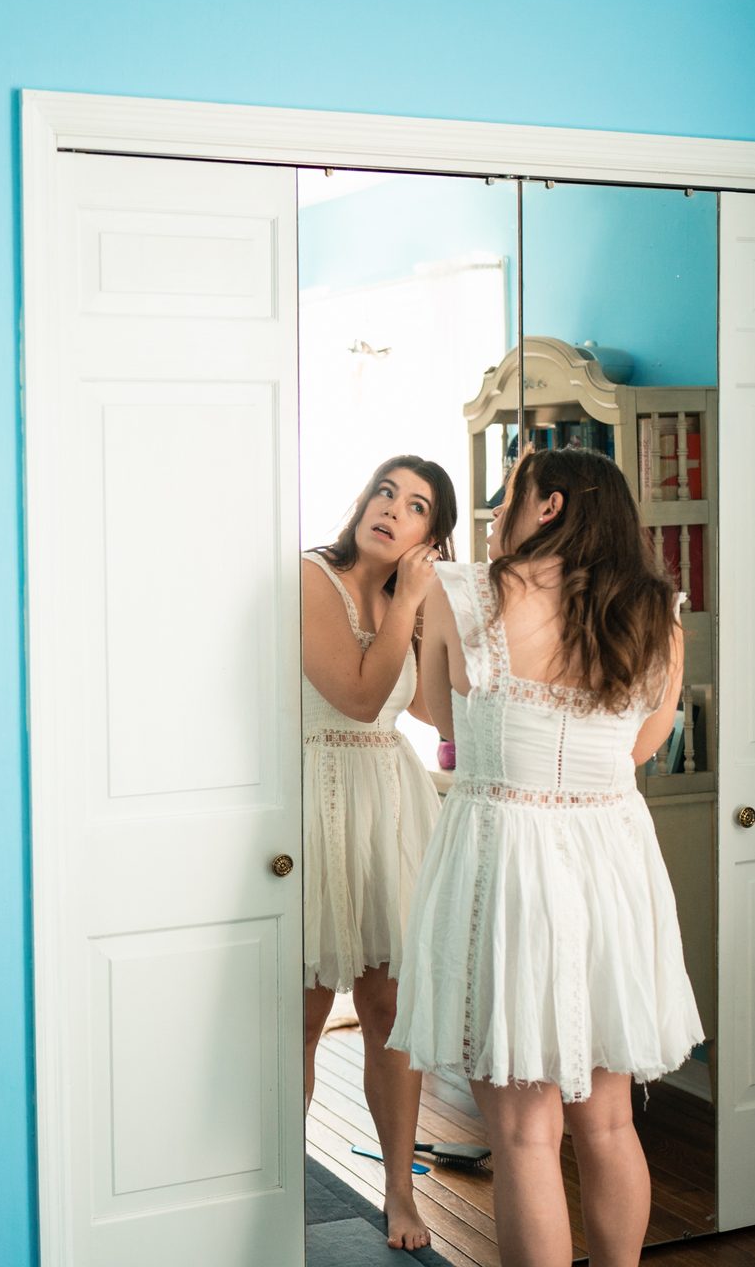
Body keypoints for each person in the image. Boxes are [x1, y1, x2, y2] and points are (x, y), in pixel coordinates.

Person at [388, 447, 703, 1267]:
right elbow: (644, 744)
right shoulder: (657, 611)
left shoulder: (469, 595)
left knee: (524, 1133)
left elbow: (434, 713)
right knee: (607, 1120)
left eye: (512, 496)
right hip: (612, 858)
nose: (500, 513)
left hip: (508, 855)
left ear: (552, 506)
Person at [299, 454, 453, 1252]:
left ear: (433, 535)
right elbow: (359, 698)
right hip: (316, 800)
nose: (392, 508)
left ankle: (400, 1191)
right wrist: (409, 607)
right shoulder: (310, 577)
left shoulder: (409, 602)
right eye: (386, 491)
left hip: (389, 805)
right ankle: (277, 1188)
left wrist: (430, 617)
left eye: (417, 505)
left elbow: (427, 710)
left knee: (390, 1011)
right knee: (305, 1012)